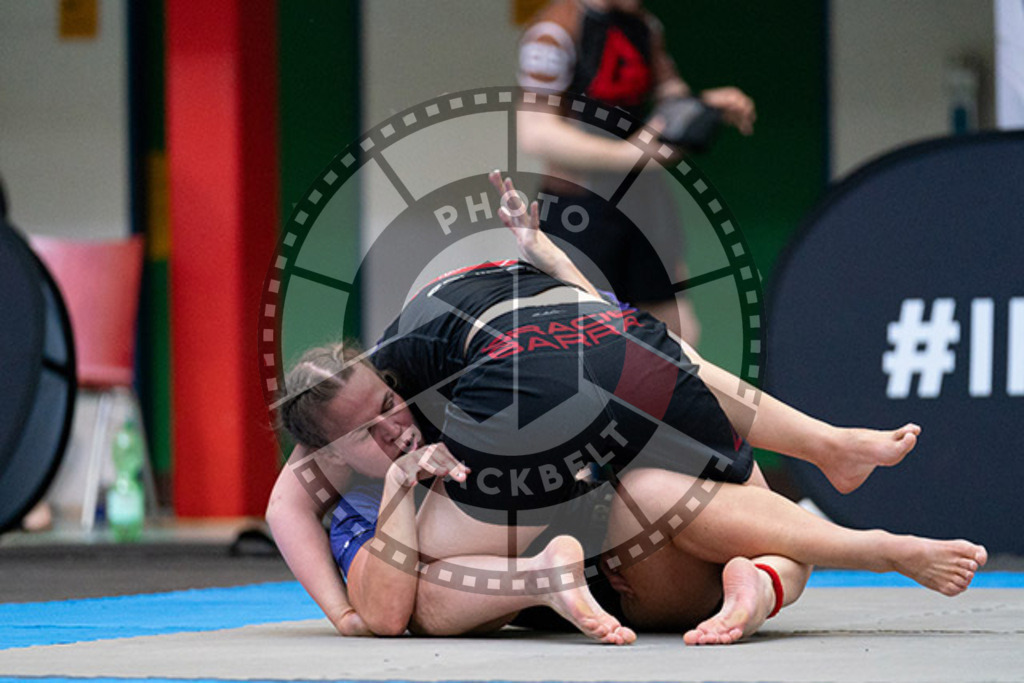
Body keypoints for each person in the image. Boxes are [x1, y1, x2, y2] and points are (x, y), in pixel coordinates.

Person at [267, 173, 987, 644]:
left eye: (391, 404)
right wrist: (346, 604)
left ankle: (827, 534)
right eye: (368, 430)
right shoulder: (351, 491)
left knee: (659, 443)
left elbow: (604, 326)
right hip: (613, 554)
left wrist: (548, 253)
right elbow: (316, 539)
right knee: (422, 590)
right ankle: (810, 521)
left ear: (394, 377)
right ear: (322, 458)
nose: (396, 425)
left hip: (616, 517)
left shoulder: (427, 372)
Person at [517, 0, 756, 343]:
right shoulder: (555, 30)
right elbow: (535, 132)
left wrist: (705, 108)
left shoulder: (643, 25)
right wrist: (627, 154)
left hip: (643, 203)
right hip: (581, 209)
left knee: (679, 336)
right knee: (581, 341)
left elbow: (670, 103)